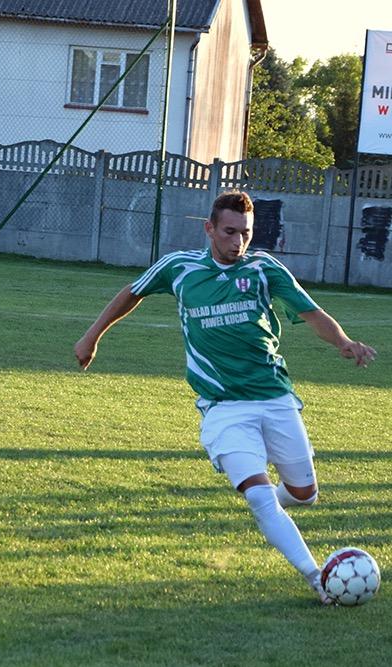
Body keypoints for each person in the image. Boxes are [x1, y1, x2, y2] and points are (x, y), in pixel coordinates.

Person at [74, 190, 376, 604]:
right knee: (259, 497)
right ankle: (317, 578)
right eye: (230, 232)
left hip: (274, 397)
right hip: (222, 407)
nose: (239, 242)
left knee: (305, 494)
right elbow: (132, 292)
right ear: (210, 229)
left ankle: (273, 511)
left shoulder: (264, 269)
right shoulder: (179, 267)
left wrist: (343, 342)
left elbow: (312, 313)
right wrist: (91, 336)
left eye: (246, 234)